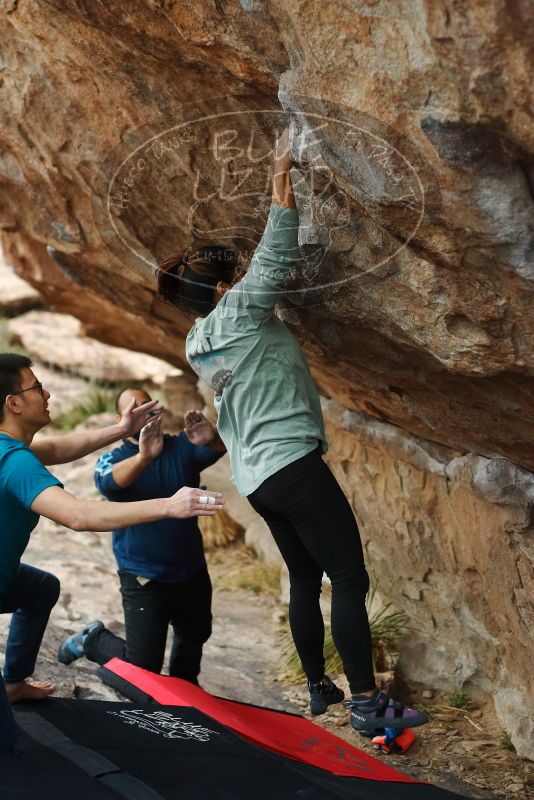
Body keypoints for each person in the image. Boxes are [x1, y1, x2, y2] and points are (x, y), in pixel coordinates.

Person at [156, 129, 427, 736]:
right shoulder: (240, 311)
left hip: (257, 479)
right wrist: (281, 168)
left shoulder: (198, 341)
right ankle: (365, 702)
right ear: (223, 290)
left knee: (306, 577)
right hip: (293, 469)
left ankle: (317, 687)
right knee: (350, 580)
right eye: (231, 274)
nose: (240, 274)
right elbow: (278, 252)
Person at [0, 354, 224, 753]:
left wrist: (121, 428)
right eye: (36, 387)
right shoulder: (15, 463)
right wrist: (168, 505)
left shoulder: (14, 449)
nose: (46, 392)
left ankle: (14, 683)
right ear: (13, 402)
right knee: (7, 744)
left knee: (40, 588)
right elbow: (80, 515)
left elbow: (62, 446)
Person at [57, 387, 226, 685]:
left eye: (147, 406)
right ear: (120, 419)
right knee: (142, 667)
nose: (143, 413)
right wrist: (145, 457)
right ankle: (93, 639)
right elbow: (109, 485)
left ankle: (186, 693)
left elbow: (217, 448)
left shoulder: (181, 448)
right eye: (133, 409)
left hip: (191, 570)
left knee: (195, 636)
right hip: (143, 577)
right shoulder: (114, 458)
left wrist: (213, 438)